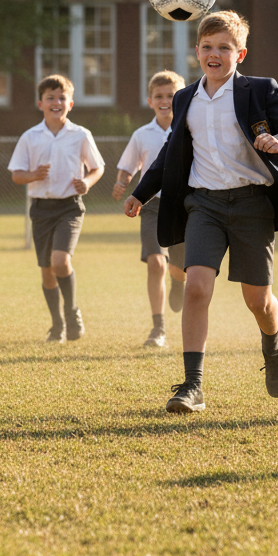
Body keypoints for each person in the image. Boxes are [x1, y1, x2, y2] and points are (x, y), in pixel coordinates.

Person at [124, 10, 278, 414]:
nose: (215, 54)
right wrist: (141, 192)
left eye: (224, 48)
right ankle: (192, 386)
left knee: (259, 302)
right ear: (197, 51)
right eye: (208, 47)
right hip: (204, 204)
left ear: (240, 53)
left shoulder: (260, 89)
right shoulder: (184, 98)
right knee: (196, 286)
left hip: (252, 204)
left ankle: (274, 344)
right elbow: (169, 154)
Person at [9, 74, 104, 342]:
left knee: (60, 260)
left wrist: (86, 181)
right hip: (40, 209)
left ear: (70, 103)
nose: (56, 102)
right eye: (50, 97)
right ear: (40, 103)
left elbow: (98, 167)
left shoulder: (80, 135)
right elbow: (17, 175)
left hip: (69, 208)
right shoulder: (30, 137)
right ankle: (58, 324)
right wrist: (33, 175)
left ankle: (72, 311)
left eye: (62, 97)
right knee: (47, 270)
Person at [113, 70, 187, 348]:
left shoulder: (189, 128)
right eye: (159, 96)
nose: (165, 100)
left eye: (171, 95)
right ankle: (158, 328)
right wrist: (122, 183)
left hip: (183, 207)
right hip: (152, 206)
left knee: (178, 269)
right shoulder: (142, 134)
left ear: (180, 98)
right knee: (156, 263)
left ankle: (178, 281)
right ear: (150, 101)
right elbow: (127, 167)